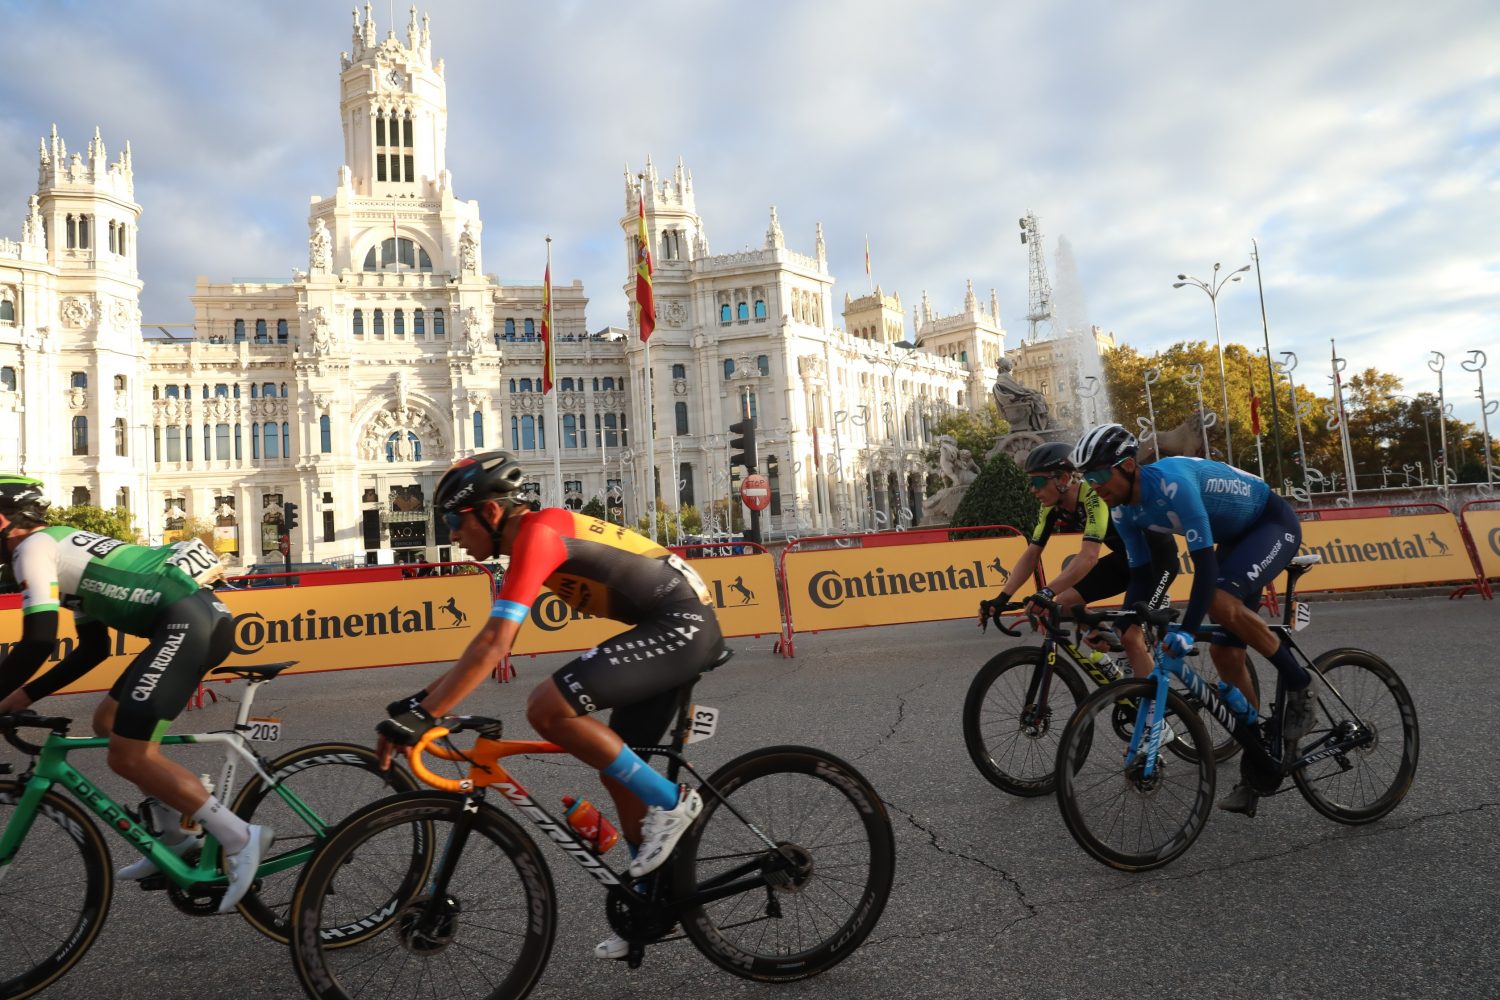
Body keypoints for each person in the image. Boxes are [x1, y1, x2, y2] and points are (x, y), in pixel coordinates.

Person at [375, 451, 725, 960]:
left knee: (546, 707)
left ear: (491, 514)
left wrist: (426, 714)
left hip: (681, 623)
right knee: (619, 770)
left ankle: (674, 804)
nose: (451, 534)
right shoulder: (530, 543)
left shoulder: (538, 535)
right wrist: (419, 702)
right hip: (667, 624)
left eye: (454, 520)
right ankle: (650, 902)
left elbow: (497, 645)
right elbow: (482, 645)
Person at [0, 475, 270, 912]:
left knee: (128, 754)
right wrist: (23, 697)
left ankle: (240, 836)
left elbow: (37, 642)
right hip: (186, 620)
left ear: (6, 519)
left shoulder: (32, 549)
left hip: (187, 623)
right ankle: (176, 832)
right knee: (106, 723)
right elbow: (93, 650)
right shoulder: (57, 546)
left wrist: (12, 693)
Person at [1070, 425, 1314, 815]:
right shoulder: (1121, 509)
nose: (1092, 486)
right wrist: (1124, 626)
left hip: (1270, 523)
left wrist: (1185, 631)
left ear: (1129, 466)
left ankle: (1300, 683)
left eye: (1097, 476)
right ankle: (1260, 758)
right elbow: (1140, 576)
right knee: (1225, 655)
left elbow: (1203, 569)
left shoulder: (1172, 484)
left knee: (1218, 600)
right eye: (1086, 479)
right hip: (1235, 538)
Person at [977, 442, 1178, 677]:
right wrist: (1002, 598)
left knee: (1131, 640)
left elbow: (1089, 556)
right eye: (1030, 482)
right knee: (1063, 606)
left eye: (1038, 482)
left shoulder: (1094, 497)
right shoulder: (1051, 507)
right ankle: (1108, 664)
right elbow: (1032, 553)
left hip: (1157, 563)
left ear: (1063, 479)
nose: (1032, 489)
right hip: (1127, 560)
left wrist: (1046, 592)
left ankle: (1154, 710)